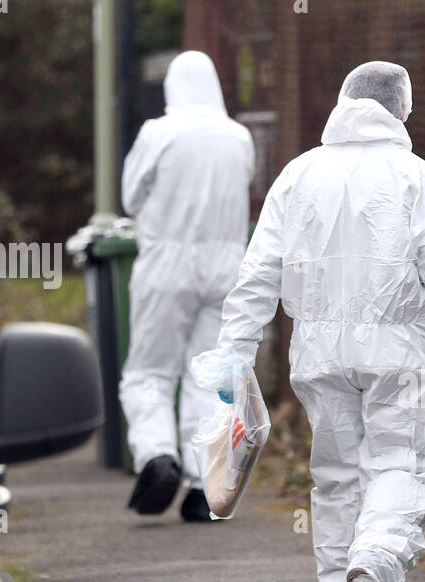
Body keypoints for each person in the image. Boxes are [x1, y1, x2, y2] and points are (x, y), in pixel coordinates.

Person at [199, 61, 425, 582]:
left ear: (343, 103)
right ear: (402, 110)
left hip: (318, 353)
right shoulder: (418, 178)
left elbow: (257, 276)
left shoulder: (297, 176)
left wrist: (234, 356)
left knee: (335, 480)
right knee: (402, 465)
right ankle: (376, 559)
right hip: (399, 348)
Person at [120, 51, 255, 521]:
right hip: (226, 269)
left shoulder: (158, 133)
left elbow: (131, 198)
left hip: (167, 265)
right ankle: (204, 487)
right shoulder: (239, 137)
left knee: (150, 372)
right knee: (211, 377)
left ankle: (158, 457)